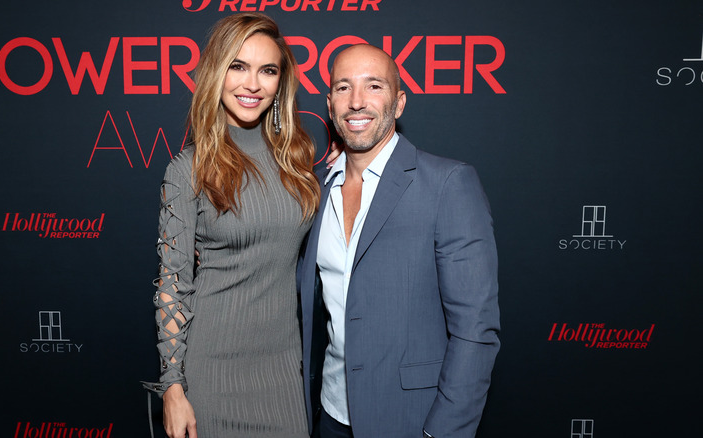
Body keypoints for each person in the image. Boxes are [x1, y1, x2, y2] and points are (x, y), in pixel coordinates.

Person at [297, 44, 500, 438]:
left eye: (374, 86)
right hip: (330, 414)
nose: (356, 102)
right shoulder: (315, 189)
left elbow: (475, 329)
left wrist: (442, 433)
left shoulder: (447, 184)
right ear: (329, 103)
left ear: (399, 102)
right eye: (343, 88)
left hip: (411, 421)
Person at [143, 13, 320, 438]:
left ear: (281, 82)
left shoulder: (297, 162)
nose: (252, 84)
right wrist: (173, 387)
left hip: (283, 369)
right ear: (216, 72)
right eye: (238, 66)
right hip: (213, 372)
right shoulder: (187, 170)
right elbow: (173, 284)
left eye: (267, 70)